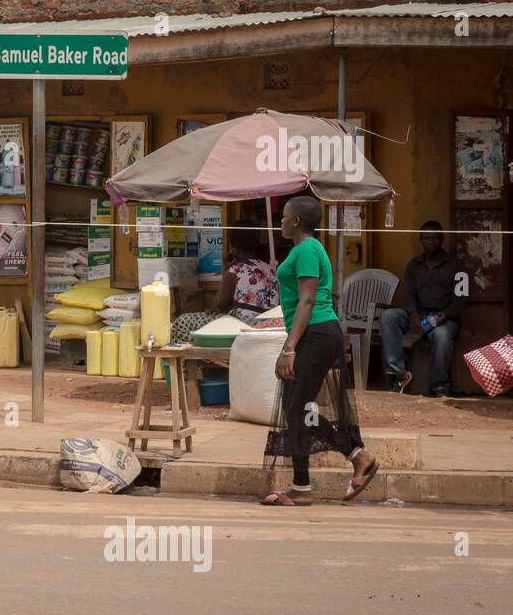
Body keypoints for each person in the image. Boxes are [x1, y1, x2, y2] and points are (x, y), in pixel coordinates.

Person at [262, 196, 377, 506]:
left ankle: (345, 463)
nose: (281, 221)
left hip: (316, 332)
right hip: (311, 333)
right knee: (295, 408)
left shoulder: (308, 250)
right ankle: (345, 461)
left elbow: (308, 301)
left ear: (297, 221)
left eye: (284, 217)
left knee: (296, 407)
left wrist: (289, 349)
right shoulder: (303, 250)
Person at [380, 221, 468, 396]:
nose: (431, 242)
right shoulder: (414, 265)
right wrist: (413, 314)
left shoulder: (456, 265)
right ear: (421, 240)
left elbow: (461, 300)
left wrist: (445, 314)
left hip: (445, 318)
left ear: (442, 239)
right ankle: (399, 374)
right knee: (388, 316)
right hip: (419, 314)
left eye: (435, 238)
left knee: (441, 336)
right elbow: (408, 294)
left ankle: (441, 386)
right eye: (427, 238)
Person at [170, 220, 278, 343]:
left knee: (182, 322)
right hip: (268, 323)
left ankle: (202, 350)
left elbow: (220, 305)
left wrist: (225, 269)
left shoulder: (235, 270)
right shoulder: (271, 269)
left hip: (242, 323)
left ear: (232, 245)